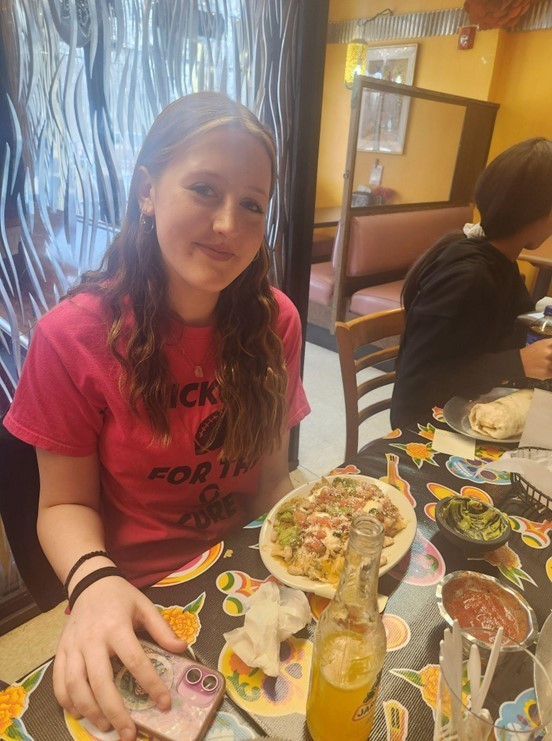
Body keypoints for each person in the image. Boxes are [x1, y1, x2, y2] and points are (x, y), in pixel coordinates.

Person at [3, 92, 310, 740]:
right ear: (147, 190)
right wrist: (92, 583)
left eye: (252, 204)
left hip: (247, 579)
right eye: (204, 188)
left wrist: (311, 531)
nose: (229, 222)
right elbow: (60, 508)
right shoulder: (72, 336)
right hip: (134, 593)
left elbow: (273, 480)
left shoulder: (275, 321)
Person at [391, 137, 552, 429]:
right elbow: (422, 380)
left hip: (475, 406)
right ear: (534, 213)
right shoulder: (469, 276)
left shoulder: (501, 262)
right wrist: (518, 361)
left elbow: (509, 330)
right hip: (426, 427)